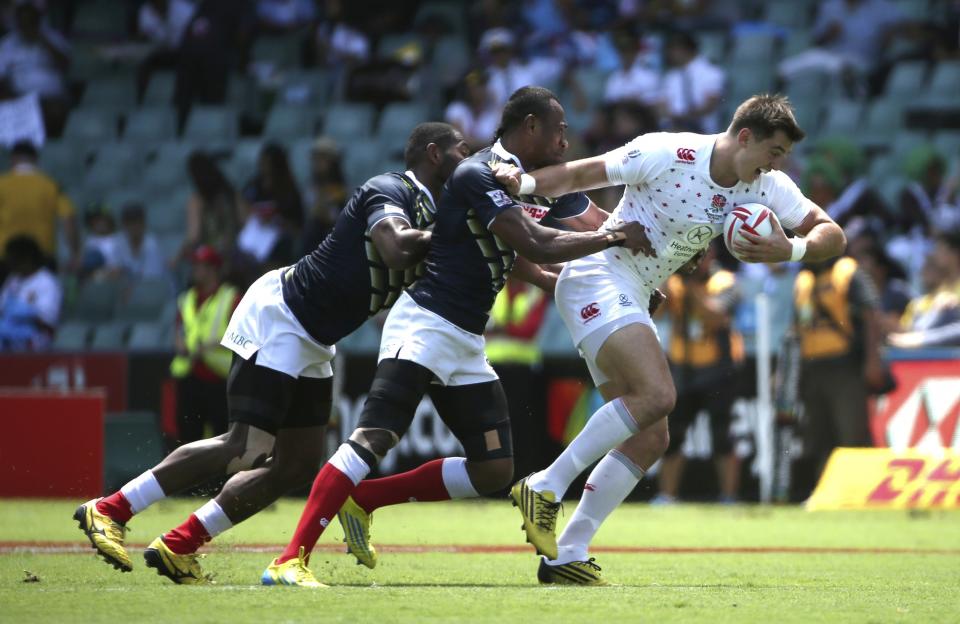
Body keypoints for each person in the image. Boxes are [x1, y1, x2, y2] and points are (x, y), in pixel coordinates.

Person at [260, 86, 652, 587]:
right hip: (424, 320)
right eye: (559, 130)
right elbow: (537, 241)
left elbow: (566, 237)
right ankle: (289, 559)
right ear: (530, 127)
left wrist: (639, 267)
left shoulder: (537, 183)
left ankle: (366, 499)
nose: (565, 139)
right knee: (375, 435)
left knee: (493, 469)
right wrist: (613, 238)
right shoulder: (477, 173)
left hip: (465, 337)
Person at [73, 123, 471, 584]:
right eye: (464, 148)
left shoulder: (435, 210)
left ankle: (180, 544)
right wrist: (454, 228)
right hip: (283, 313)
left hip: (317, 336)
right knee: (243, 445)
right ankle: (111, 508)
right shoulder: (389, 188)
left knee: (297, 464)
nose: (471, 156)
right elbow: (397, 249)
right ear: (433, 153)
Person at [495, 93, 846, 584]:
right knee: (658, 395)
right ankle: (546, 485)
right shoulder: (669, 152)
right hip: (598, 276)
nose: (776, 164)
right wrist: (525, 182)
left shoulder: (767, 187)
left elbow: (833, 233)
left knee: (652, 435)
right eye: (774, 151)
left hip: (636, 296)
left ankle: (567, 551)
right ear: (745, 137)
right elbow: (581, 174)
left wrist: (791, 248)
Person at [654, 242, 743, 505]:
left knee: (723, 435)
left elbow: (715, 315)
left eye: (698, 257)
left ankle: (729, 496)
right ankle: (666, 496)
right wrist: (668, 278)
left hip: (719, 370)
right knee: (674, 435)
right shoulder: (675, 283)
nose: (693, 263)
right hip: (682, 370)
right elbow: (657, 315)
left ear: (711, 256)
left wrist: (690, 287)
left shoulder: (726, 281)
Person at [794, 253, 884, 479]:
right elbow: (796, 328)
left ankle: (864, 489)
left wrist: (873, 360)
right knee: (819, 436)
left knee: (852, 432)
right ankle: (823, 493)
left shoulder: (848, 271)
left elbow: (871, 314)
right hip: (813, 369)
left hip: (845, 366)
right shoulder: (802, 280)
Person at [170, 245, 239, 444]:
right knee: (187, 436)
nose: (196, 270)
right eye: (195, 266)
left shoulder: (230, 297)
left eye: (201, 266)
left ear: (213, 269)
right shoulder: (187, 298)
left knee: (221, 437)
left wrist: (213, 344)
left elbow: (244, 335)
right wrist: (179, 343)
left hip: (219, 378)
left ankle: (220, 477)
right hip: (189, 374)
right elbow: (179, 327)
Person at [0, 140, 78, 274]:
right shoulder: (50, 185)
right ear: (36, 159)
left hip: (6, 254)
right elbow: (68, 218)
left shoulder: (2, 184)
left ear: (13, 159)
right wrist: (74, 252)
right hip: (42, 253)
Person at [0, 234, 61, 350]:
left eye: (12, 259)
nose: (9, 263)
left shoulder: (47, 281)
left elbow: (49, 322)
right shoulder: (13, 279)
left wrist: (27, 315)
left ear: (26, 258)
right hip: (9, 335)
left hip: (38, 337)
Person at [660, 29, 725, 134]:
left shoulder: (712, 71)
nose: (669, 54)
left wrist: (684, 118)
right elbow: (662, 105)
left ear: (686, 49)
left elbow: (710, 105)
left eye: (673, 49)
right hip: (674, 128)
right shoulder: (671, 76)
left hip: (703, 130)